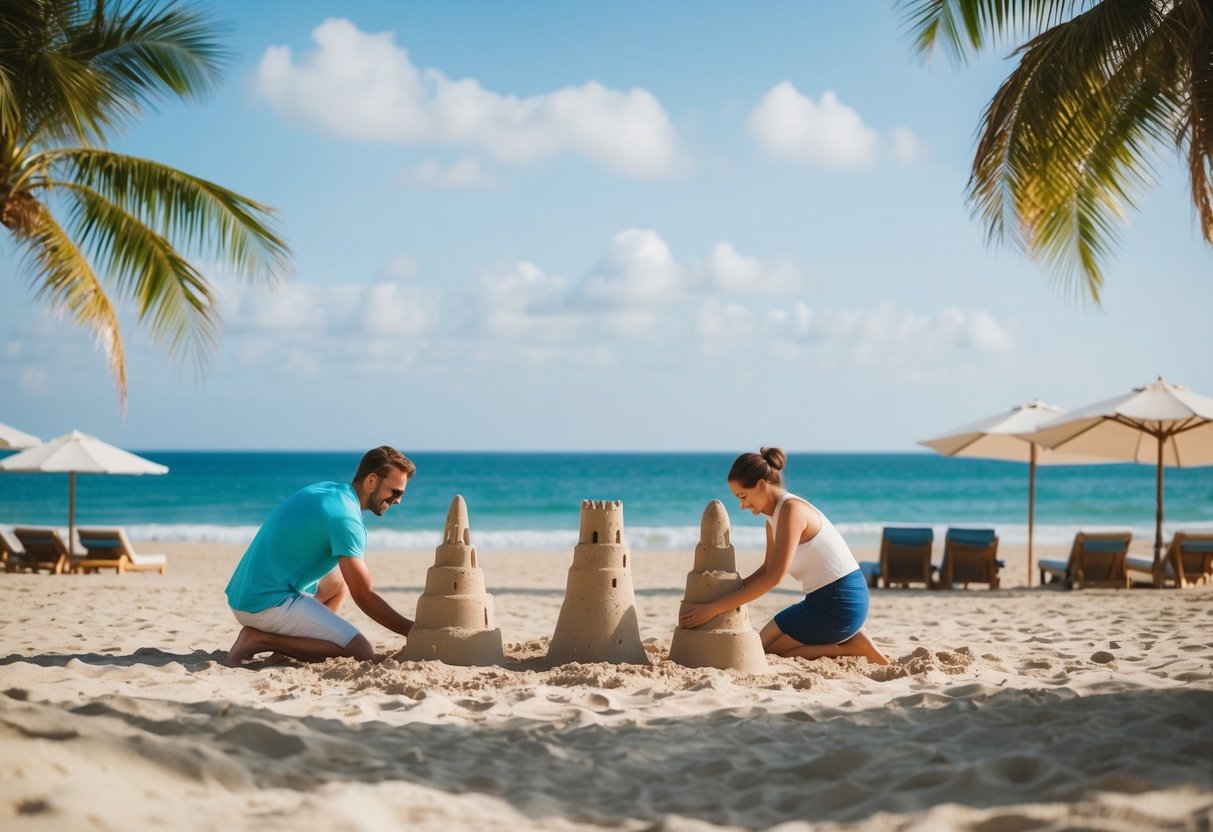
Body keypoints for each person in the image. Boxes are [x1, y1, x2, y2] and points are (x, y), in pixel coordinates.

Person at [679, 447, 889, 665]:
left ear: (761, 485)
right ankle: (852, 641)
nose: (742, 505)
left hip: (841, 601)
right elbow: (766, 568)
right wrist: (725, 592)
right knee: (763, 645)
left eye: (743, 496)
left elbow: (774, 577)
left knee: (771, 651)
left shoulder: (791, 510)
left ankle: (853, 647)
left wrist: (714, 608)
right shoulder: (772, 519)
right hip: (818, 600)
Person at [225, 445, 417, 667]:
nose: (398, 500)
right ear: (371, 481)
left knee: (337, 586)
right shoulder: (346, 520)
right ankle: (260, 639)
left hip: (245, 593)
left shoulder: (331, 491)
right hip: (263, 603)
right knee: (360, 650)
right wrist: (414, 631)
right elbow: (364, 595)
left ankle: (291, 647)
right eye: (395, 491)